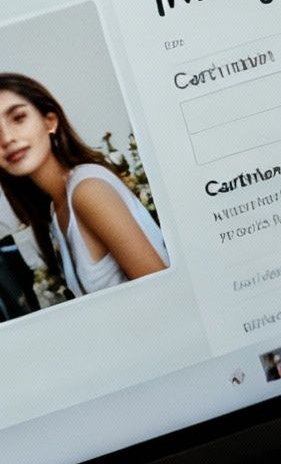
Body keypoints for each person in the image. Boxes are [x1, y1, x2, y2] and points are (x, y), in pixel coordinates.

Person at [0, 73, 167, 300]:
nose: (7, 138)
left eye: (18, 118)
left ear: (50, 121)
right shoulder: (56, 208)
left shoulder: (88, 191)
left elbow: (164, 294)